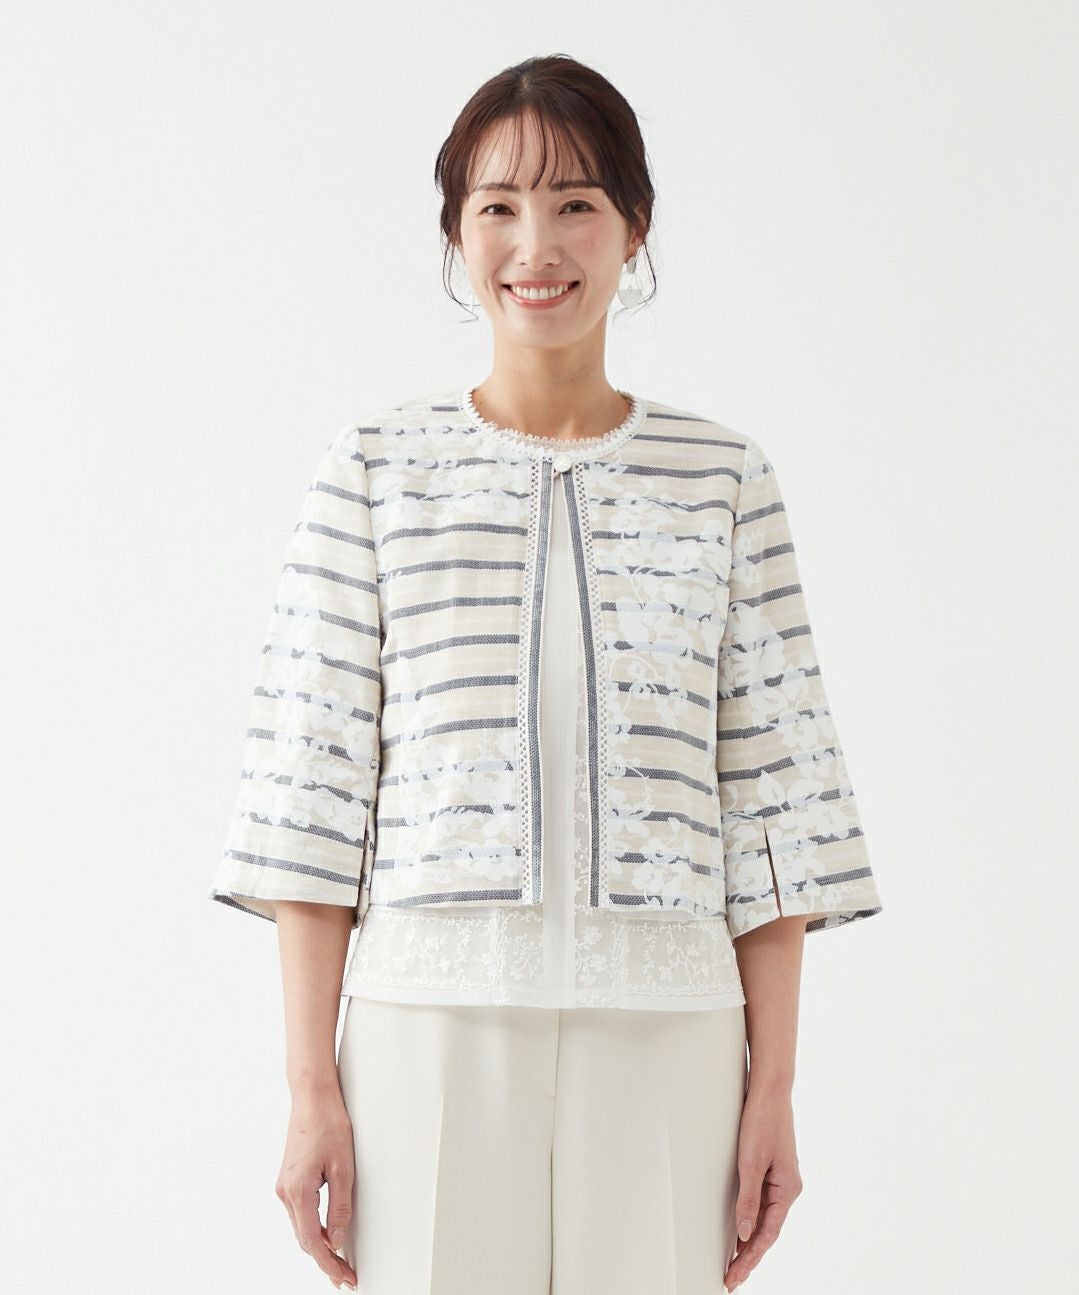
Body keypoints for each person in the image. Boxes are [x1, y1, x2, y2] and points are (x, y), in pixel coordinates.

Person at [209, 53, 884, 1295]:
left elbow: (773, 805)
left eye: (576, 202)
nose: (536, 245)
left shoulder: (724, 479)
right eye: (498, 206)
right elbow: (311, 794)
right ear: (456, 232)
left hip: (671, 1034)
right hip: (427, 1031)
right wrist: (310, 1090)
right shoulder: (374, 471)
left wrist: (773, 1086)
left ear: (634, 225)